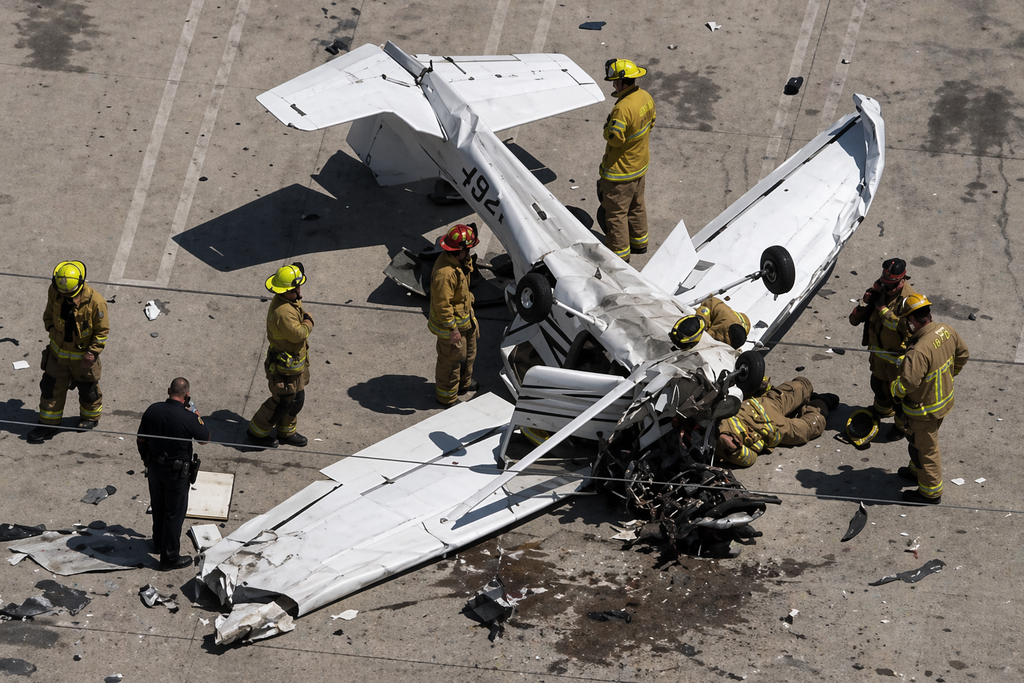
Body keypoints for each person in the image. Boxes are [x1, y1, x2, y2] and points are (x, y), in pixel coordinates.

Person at [891, 295, 969, 504]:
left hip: (923, 412)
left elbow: (907, 384)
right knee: (919, 443)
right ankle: (916, 471)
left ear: (911, 321)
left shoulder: (918, 351)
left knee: (927, 450)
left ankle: (930, 492)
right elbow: (963, 354)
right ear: (928, 314)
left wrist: (895, 391)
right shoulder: (946, 330)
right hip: (943, 403)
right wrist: (949, 376)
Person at [27, 261, 109, 444]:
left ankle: (90, 417)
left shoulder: (96, 302)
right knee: (50, 388)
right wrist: (52, 330)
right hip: (58, 356)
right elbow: (48, 315)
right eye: (63, 293)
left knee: (88, 390)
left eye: (69, 294)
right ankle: (48, 424)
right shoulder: (55, 291)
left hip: (84, 359)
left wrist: (92, 353)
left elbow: (102, 332)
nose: (65, 297)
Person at [137, 378, 210, 570]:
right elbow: (205, 439)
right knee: (174, 514)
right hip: (176, 473)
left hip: (154, 467)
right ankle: (169, 558)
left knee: (158, 506)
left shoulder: (153, 409)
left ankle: (159, 543)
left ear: (169, 390)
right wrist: (196, 415)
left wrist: (146, 460)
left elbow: (141, 439)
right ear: (187, 396)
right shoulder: (189, 418)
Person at [849, 258, 919, 437]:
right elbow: (854, 320)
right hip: (878, 358)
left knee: (900, 398)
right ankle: (882, 410)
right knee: (879, 387)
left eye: (891, 284)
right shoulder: (878, 292)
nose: (886, 287)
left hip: (897, 361)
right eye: (884, 282)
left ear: (901, 280)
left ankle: (901, 427)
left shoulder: (909, 300)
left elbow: (910, 329)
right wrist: (865, 302)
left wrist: (884, 312)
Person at [246, 263, 314, 448]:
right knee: (282, 403)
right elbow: (299, 333)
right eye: (295, 289)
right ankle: (256, 433)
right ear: (285, 291)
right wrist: (309, 321)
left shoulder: (290, 299)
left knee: (296, 400)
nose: (299, 292)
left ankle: (286, 432)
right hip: (284, 369)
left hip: (294, 365)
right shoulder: (283, 313)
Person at [597, 58, 656, 262]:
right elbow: (652, 122)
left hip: (620, 172)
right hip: (639, 166)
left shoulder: (622, 108)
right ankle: (639, 243)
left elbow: (615, 139)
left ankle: (619, 257)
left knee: (615, 214)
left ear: (623, 82)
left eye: (614, 81)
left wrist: (606, 128)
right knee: (637, 205)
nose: (613, 85)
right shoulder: (645, 97)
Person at [715, 377, 838, 467]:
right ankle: (820, 403)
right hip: (770, 421)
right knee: (806, 428)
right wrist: (735, 449)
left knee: (803, 387)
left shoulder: (709, 420)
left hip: (762, 408)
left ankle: (814, 402)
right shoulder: (719, 447)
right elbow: (749, 459)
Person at [429, 224, 480, 406]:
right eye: (468, 249)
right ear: (459, 251)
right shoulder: (445, 274)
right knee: (451, 363)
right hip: (452, 328)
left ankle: (463, 385)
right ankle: (447, 397)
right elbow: (443, 305)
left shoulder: (459, 263)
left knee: (469, 355)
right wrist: (453, 329)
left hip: (465, 322)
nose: (470, 252)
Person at [670, 296, 751, 351]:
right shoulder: (719, 310)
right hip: (735, 321)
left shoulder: (723, 339)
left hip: (743, 324)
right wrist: (702, 317)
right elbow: (711, 302)